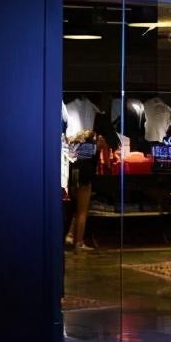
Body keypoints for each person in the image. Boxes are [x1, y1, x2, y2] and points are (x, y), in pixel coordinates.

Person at [62, 94, 120, 251]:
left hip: (69, 165)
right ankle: (78, 242)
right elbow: (113, 141)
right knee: (82, 209)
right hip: (85, 166)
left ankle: (69, 236)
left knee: (70, 206)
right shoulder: (95, 112)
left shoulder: (67, 108)